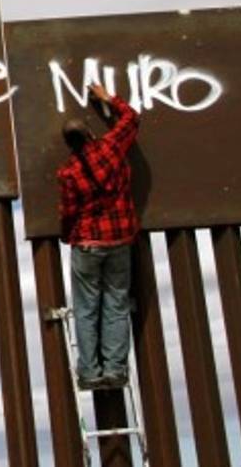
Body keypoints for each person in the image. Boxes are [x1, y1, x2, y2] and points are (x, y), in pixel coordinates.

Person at [57, 83, 140, 391]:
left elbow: (67, 213)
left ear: (69, 143)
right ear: (90, 133)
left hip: (87, 244)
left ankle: (90, 372)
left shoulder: (69, 173)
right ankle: (116, 370)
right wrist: (108, 99)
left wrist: (68, 237)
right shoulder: (111, 148)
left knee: (86, 308)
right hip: (120, 239)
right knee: (117, 303)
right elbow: (131, 119)